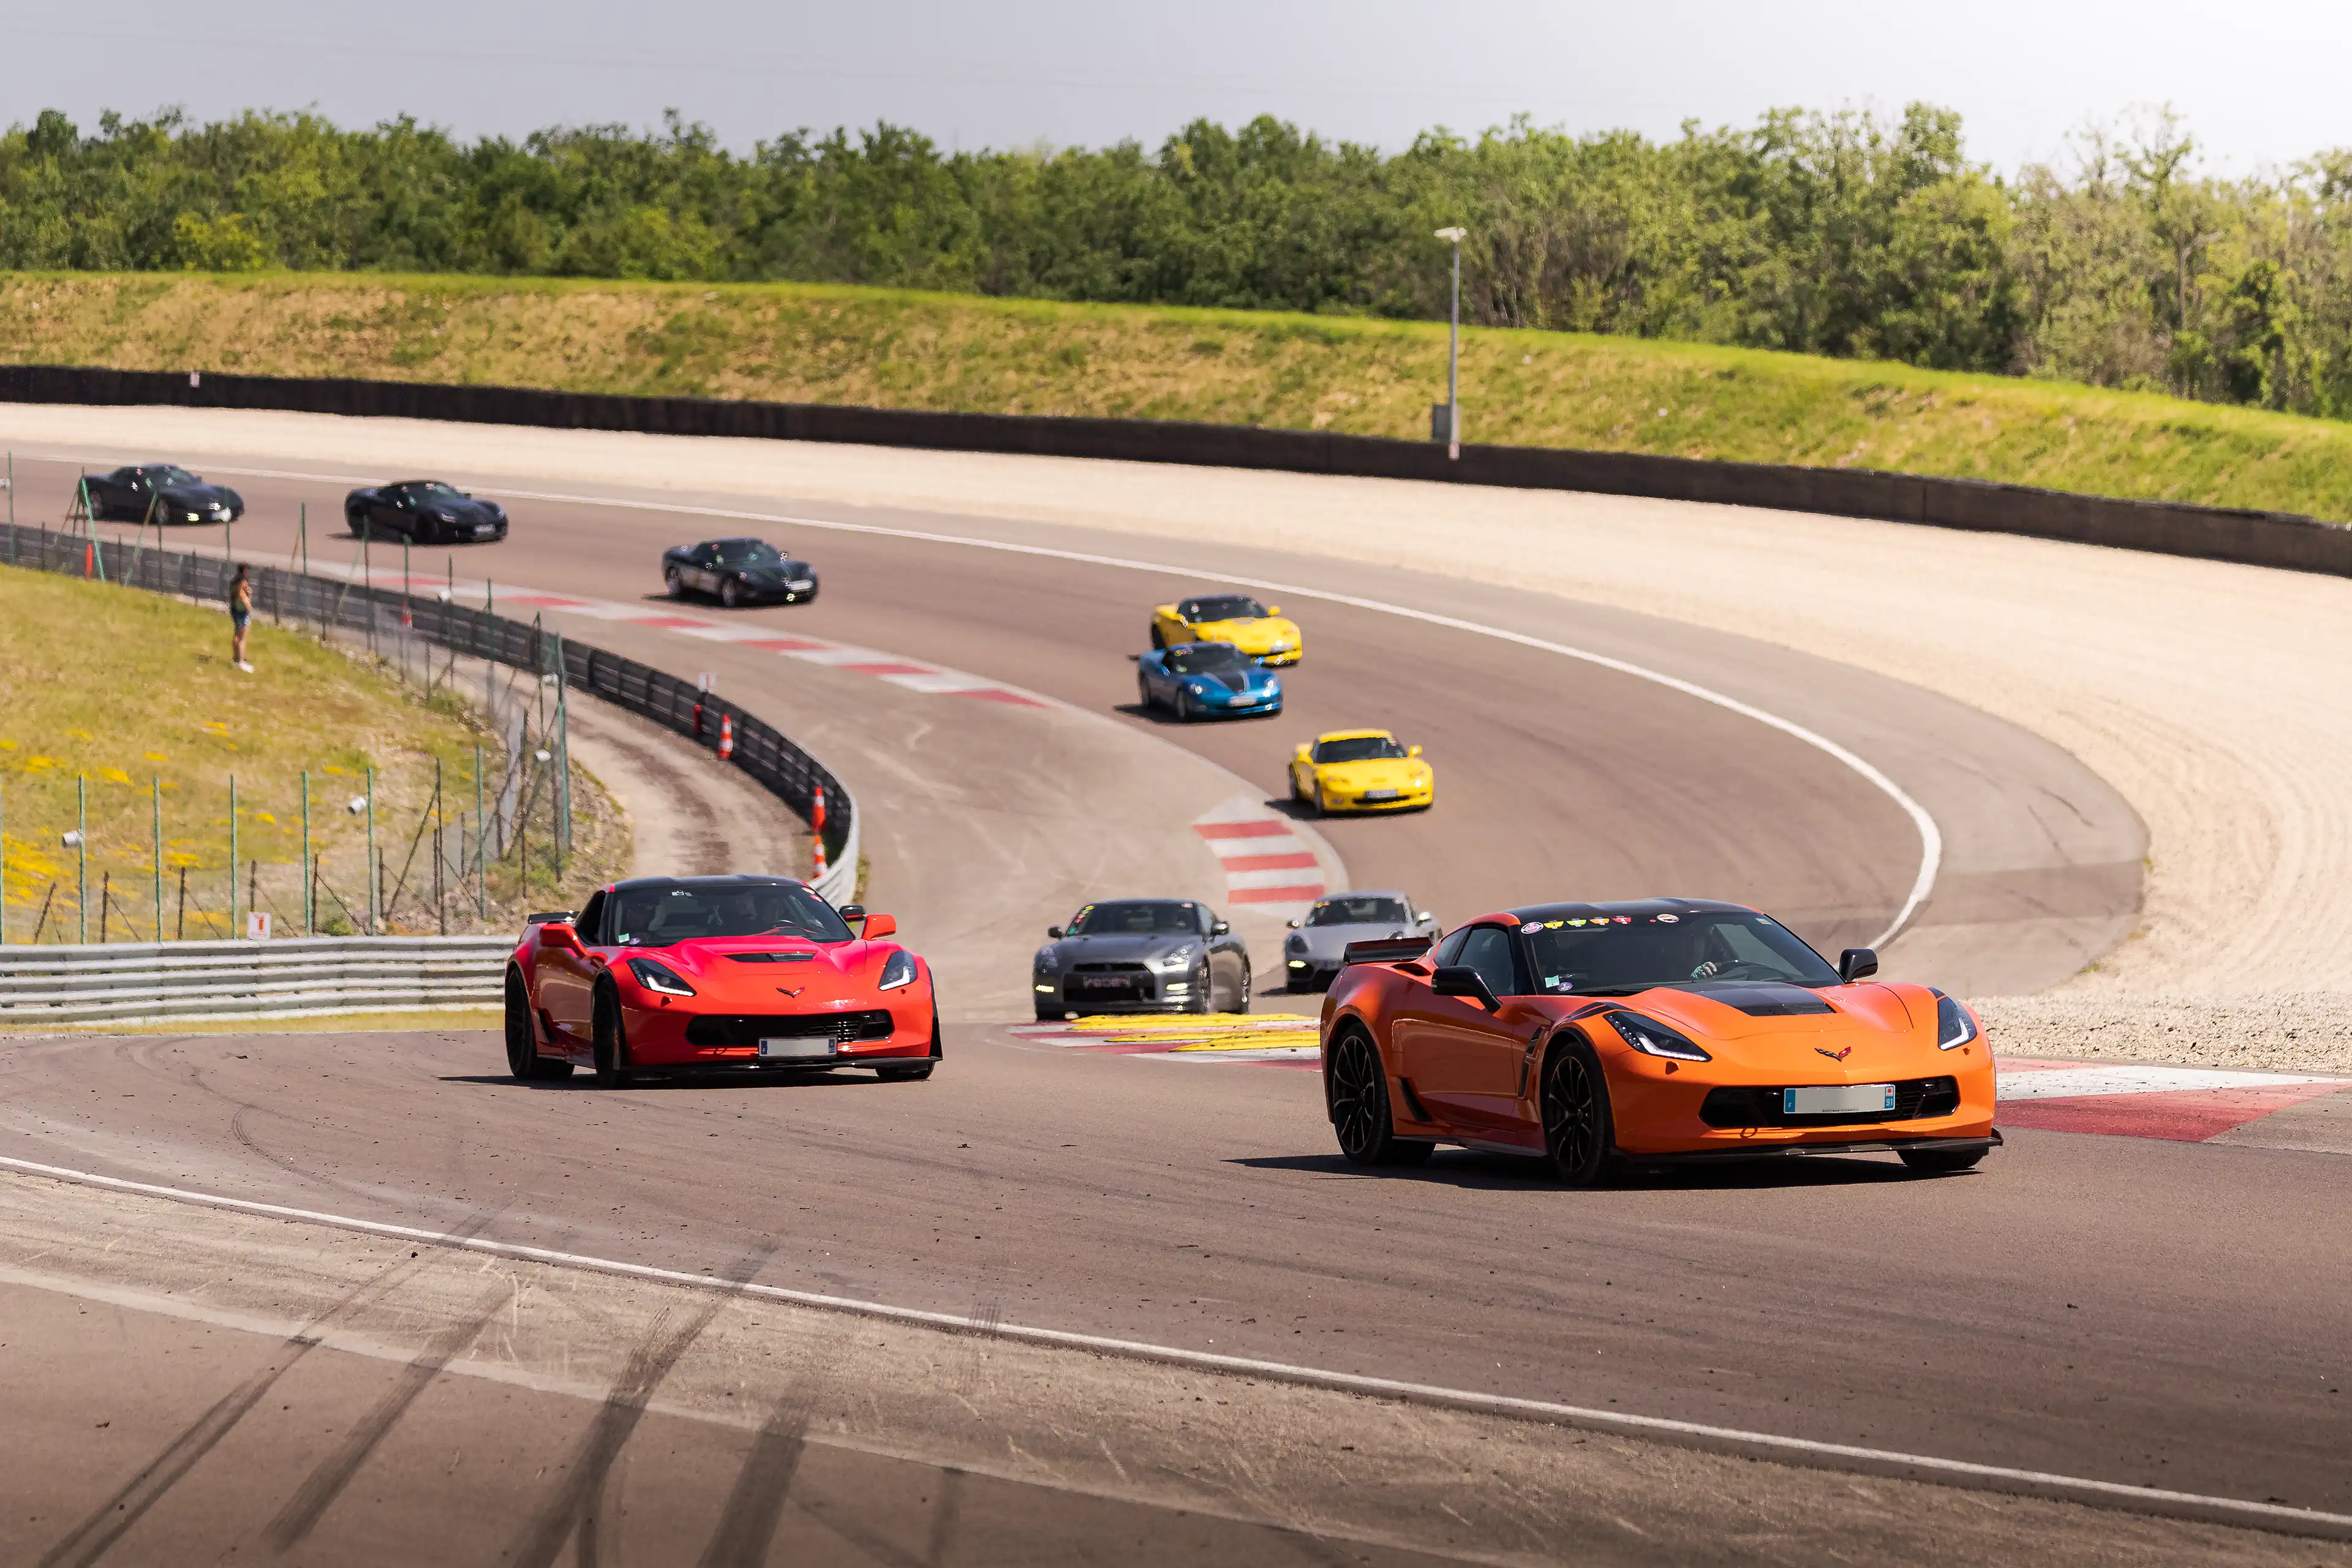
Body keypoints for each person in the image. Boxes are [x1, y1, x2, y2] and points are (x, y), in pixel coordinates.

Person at [229, 564, 254, 673]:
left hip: (235, 610)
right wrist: (249, 597)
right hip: (242, 612)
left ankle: (236, 659)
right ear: (244, 570)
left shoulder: (233, 582)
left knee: (236, 636)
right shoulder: (242, 583)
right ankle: (241, 662)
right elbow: (245, 600)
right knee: (242, 639)